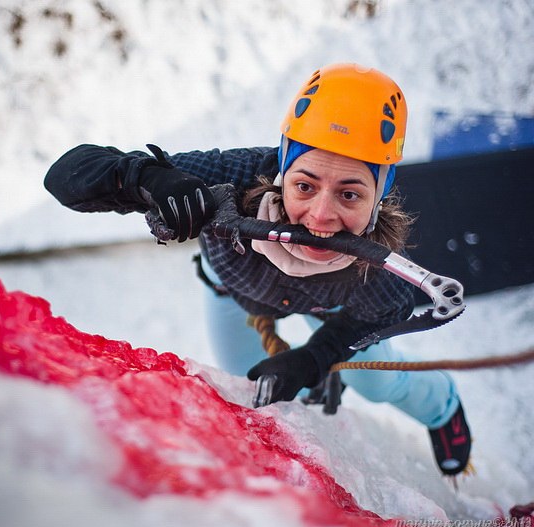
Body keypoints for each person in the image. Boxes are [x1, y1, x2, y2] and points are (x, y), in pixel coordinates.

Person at [44, 63, 471, 476]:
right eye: (304, 186)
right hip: (232, 294)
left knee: (377, 384)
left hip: (329, 309)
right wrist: (147, 179)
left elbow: (375, 319)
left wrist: (317, 356)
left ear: (379, 196)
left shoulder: (379, 272)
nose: (321, 217)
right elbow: (66, 175)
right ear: (283, 169)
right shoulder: (235, 174)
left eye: (350, 195)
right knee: (253, 391)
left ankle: (443, 404)